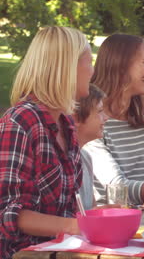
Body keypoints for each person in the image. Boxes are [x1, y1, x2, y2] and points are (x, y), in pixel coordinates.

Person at [0, 26, 93, 258]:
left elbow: (68, 208)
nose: (93, 71)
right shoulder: (20, 121)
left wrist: (98, 218)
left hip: (60, 251)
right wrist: (78, 225)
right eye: (89, 62)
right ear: (67, 68)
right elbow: (9, 213)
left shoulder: (66, 123)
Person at [83, 34, 144, 206]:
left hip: (143, 223)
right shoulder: (93, 122)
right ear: (120, 66)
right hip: (106, 221)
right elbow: (116, 187)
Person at [73, 84, 109, 210]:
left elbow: (91, 209)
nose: (106, 117)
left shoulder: (86, 157)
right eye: (99, 111)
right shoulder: (66, 161)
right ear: (76, 117)